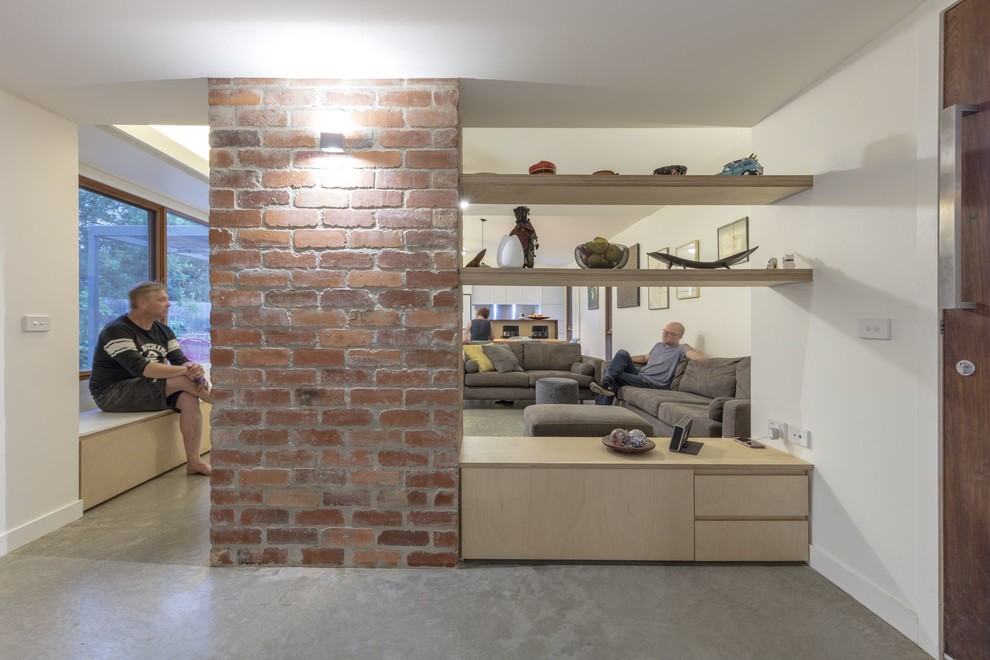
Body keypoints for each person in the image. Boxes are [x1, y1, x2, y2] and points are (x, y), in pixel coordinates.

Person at [89, 282, 214, 476]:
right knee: (183, 380)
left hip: (149, 389)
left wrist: (193, 368)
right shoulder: (117, 331)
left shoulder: (163, 331)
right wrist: (185, 371)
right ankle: (226, 405)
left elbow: (179, 360)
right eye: (162, 299)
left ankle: (194, 462)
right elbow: (143, 369)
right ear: (143, 303)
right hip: (112, 393)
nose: (168, 304)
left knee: (189, 398)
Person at [591, 322, 707, 405]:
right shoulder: (658, 345)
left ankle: (602, 406)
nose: (665, 335)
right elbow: (645, 358)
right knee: (622, 353)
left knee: (612, 375)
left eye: (670, 333)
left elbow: (695, 356)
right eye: (664, 331)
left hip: (653, 383)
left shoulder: (682, 348)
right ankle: (606, 384)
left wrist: (700, 356)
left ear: (679, 336)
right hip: (641, 376)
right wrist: (617, 361)